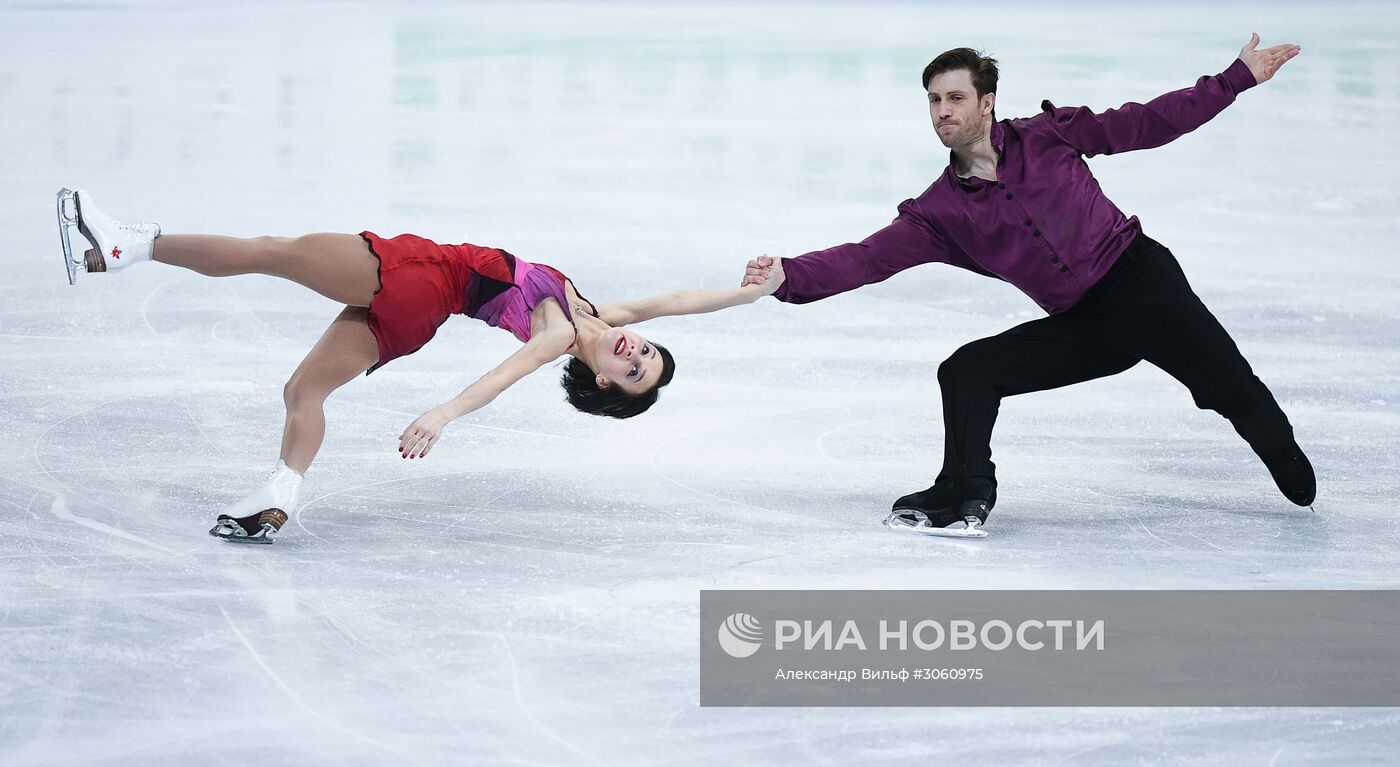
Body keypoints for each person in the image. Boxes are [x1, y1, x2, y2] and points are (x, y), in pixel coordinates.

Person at [743, 34, 1313, 537]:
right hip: (1085, 324)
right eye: (934, 101)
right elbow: (867, 259)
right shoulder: (938, 213)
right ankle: (963, 489)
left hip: (1141, 283)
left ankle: (1284, 457)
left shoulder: (1051, 135)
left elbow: (1145, 122)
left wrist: (1235, 79)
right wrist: (788, 275)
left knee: (1226, 388)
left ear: (986, 102)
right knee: (967, 370)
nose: (943, 112)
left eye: (955, 98)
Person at [57, 189, 783, 541]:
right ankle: (280, 495)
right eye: (647, 356)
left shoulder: (557, 330)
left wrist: (442, 414)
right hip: (420, 313)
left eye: (633, 373)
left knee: (271, 252)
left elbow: (504, 376)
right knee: (303, 389)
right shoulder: (599, 314)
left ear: (601, 381)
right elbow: (677, 300)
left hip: (421, 275)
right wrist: (749, 297)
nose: (637, 353)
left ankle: (128, 245)